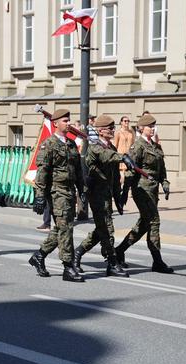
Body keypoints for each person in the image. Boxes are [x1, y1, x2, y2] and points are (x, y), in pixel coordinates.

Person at [28, 108, 85, 282]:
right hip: (56, 192)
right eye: (65, 121)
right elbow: (42, 172)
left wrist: (81, 190)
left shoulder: (71, 144)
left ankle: (39, 255)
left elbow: (77, 170)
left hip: (69, 191)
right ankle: (68, 267)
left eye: (69, 120)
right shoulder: (49, 144)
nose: (68, 124)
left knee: (62, 228)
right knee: (66, 228)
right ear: (56, 124)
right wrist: (39, 196)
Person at [73, 114, 134, 278]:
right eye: (110, 128)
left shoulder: (112, 148)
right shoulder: (95, 148)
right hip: (96, 195)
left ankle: (77, 255)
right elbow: (106, 157)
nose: (113, 131)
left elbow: (114, 177)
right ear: (100, 131)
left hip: (107, 195)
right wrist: (123, 157)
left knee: (101, 230)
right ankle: (112, 263)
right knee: (107, 229)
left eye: (113, 128)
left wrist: (119, 198)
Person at [115, 113, 173, 274]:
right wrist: (124, 193)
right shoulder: (138, 146)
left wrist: (165, 183)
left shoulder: (156, 146)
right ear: (141, 128)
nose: (153, 129)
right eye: (150, 126)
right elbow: (130, 170)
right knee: (154, 221)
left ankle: (119, 251)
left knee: (143, 225)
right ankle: (157, 260)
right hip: (141, 189)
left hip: (153, 190)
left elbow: (161, 169)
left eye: (154, 126)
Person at [113, 116, 135, 180]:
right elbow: (115, 146)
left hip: (129, 156)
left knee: (129, 175)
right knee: (122, 176)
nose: (127, 122)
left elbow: (133, 144)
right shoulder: (118, 132)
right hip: (121, 156)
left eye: (128, 121)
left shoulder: (131, 132)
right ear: (121, 122)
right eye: (125, 121)